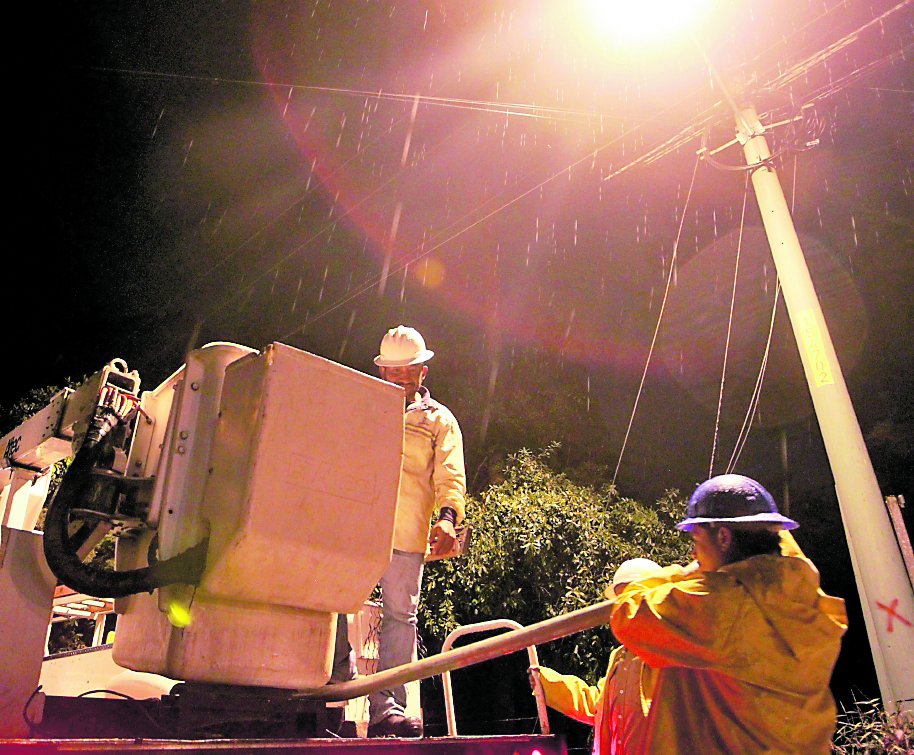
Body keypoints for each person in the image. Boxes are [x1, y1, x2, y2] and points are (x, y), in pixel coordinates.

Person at [610, 474, 848, 755]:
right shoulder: (801, 594)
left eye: (696, 541)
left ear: (723, 536)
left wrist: (679, 573)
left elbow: (629, 615)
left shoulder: (723, 602)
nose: (693, 554)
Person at [334, 325, 467, 738]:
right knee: (332, 603)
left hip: (406, 536)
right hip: (355, 528)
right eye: (393, 371)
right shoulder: (359, 408)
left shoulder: (439, 420)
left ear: (422, 371)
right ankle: (336, 685)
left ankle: (387, 712)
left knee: (400, 618)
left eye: (409, 370)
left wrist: (446, 518)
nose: (401, 377)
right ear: (380, 372)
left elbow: (450, 475)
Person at [532, 558, 662, 755]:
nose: (623, 613)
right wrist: (545, 683)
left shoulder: (671, 656)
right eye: (619, 603)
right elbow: (597, 707)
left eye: (631, 601)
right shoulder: (620, 658)